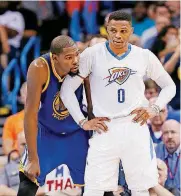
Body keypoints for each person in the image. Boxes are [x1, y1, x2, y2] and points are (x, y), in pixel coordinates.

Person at [60, 10, 176, 196]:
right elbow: (66, 90)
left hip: (134, 126)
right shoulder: (92, 54)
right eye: (113, 30)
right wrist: (83, 122)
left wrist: (153, 108)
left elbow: (170, 86)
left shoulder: (143, 55)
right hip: (104, 128)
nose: (118, 35)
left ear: (131, 31)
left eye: (123, 31)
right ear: (107, 30)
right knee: (94, 189)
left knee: (140, 188)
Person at [17, 35, 111, 196]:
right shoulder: (40, 67)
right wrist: (33, 159)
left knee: (102, 183)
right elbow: (30, 113)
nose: (75, 60)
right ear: (55, 58)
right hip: (47, 132)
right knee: (28, 178)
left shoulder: (83, 64)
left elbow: (91, 106)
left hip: (77, 132)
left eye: (77, 54)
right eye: (68, 57)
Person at [2, 82, 27, 156]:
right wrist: (16, 157)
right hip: (19, 160)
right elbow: (7, 145)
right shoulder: (12, 120)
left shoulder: (50, 119)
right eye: (28, 94)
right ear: (22, 97)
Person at [155, 120, 180, 191]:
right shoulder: (155, 152)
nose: (169, 136)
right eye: (165, 133)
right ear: (162, 136)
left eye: (173, 132)